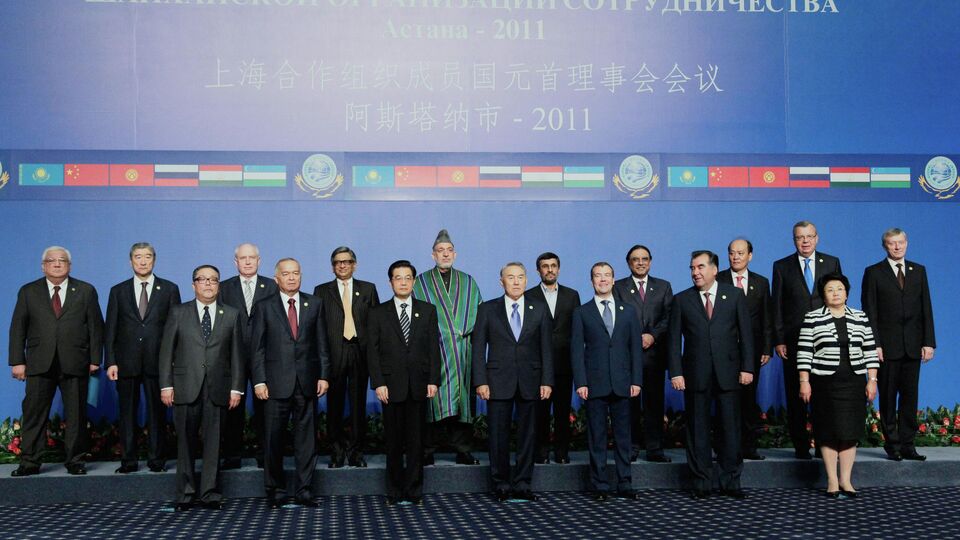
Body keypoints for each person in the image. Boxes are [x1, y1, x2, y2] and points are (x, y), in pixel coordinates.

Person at [8, 246, 103, 477]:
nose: (57, 264)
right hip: (39, 363)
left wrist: (94, 359)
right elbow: (18, 328)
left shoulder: (86, 290)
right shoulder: (28, 291)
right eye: (52, 260)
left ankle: (75, 461)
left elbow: (96, 327)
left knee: (76, 415)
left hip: (76, 361)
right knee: (34, 414)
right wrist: (17, 361)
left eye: (62, 260)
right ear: (43, 266)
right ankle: (30, 462)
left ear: (70, 266)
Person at [669, 251, 755, 500]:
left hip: (729, 373)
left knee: (730, 428)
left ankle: (731, 481)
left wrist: (747, 367)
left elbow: (746, 335)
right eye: (692, 268)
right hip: (695, 374)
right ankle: (702, 481)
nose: (695, 272)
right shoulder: (681, 299)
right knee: (697, 430)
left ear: (715, 270)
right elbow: (673, 341)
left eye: (700, 267)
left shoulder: (734, 296)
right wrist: (676, 372)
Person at [158, 265, 244, 511]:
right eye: (202, 279)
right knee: (185, 444)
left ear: (219, 285)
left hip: (218, 389)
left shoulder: (231, 314)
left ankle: (209, 493)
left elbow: (237, 355)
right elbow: (166, 352)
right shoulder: (178, 312)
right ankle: (185, 494)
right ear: (193, 285)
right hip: (185, 387)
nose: (208, 284)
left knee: (213, 444)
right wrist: (166, 385)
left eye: (213, 280)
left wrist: (236, 388)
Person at [251, 258, 331, 508]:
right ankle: (275, 490)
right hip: (275, 384)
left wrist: (324, 375)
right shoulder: (264, 306)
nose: (292, 277)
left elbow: (322, 343)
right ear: (277, 279)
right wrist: (259, 380)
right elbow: (257, 348)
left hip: (307, 382)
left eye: (296, 273)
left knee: (307, 441)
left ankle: (304, 490)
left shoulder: (314, 303)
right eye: (286, 274)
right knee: (273, 440)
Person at [473, 262, 553, 502]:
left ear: (526, 280)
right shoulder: (487, 309)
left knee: (529, 435)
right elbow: (478, 348)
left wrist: (547, 380)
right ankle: (501, 483)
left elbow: (546, 348)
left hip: (531, 380)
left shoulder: (539, 308)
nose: (516, 281)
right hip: (497, 381)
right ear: (502, 282)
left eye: (520, 277)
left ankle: (523, 483)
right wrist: (480, 381)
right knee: (498, 435)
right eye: (511, 277)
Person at [797, 273, 879, 498]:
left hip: (854, 383)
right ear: (823, 296)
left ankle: (846, 480)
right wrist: (804, 381)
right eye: (830, 290)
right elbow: (804, 353)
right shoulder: (812, 318)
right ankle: (832, 480)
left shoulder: (860, 317)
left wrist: (872, 380)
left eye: (840, 289)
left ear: (847, 293)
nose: (835, 293)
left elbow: (870, 351)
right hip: (825, 383)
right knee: (828, 431)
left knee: (850, 432)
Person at [367, 260, 440, 506]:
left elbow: (433, 348)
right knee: (394, 442)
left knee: (416, 442)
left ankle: (414, 490)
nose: (403, 282)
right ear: (390, 282)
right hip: (390, 386)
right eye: (398, 278)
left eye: (408, 277)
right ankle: (395, 490)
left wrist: (433, 379)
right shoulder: (378, 313)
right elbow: (372, 351)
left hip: (419, 385)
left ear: (414, 281)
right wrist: (378, 382)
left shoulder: (428, 310)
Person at [105, 242, 181, 474]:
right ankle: (128, 461)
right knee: (127, 413)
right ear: (131, 261)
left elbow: (176, 328)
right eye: (138, 257)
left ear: (154, 260)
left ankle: (157, 460)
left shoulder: (169, 289)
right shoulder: (118, 291)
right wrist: (111, 361)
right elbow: (111, 329)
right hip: (126, 362)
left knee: (157, 413)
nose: (143, 261)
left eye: (147, 256)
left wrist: (173, 361)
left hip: (158, 362)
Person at [861, 228, 936, 461]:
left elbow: (926, 308)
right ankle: (892, 445)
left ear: (907, 243)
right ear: (885, 246)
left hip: (913, 345)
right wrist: (874, 343)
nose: (897, 247)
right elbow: (870, 311)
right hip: (886, 347)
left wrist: (929, 342)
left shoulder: (918, 271)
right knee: (887, 396)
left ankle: (908, 445)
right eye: (892, 243)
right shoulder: (874, 272)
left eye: (901, 242)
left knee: (910, 398)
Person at [571, 262, 644, 501]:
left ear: (613, 280)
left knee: (624, 437)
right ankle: (600, 485)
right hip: (594, 384)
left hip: (623, 383)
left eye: (607, 275)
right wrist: (581, 382)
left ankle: (625, 482)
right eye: (597, 276)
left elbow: (635, 349)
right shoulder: (582, 312)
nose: (602, 279)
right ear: (591, 281)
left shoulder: (629, 311)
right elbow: (576, 351)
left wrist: (636, 380)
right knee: (597, 437)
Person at [772, 221, 842, 459]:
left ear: (817, 238)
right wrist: (779, 339)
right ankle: (801, 446)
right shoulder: (781, 266)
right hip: (793, 341)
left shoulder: (831, 262)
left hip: (826, 340)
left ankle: (824, 446)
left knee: (824, 395)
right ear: (794, 240)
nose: (805, 241)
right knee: (796, 396)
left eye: (809, 236)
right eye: (800, 237)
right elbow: (777, 305)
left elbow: (838, 297)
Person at [413, 229, 483, 465]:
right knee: (432, 399)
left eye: (449, 250)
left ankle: (463, 449)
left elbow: (478, 313)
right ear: (433, 255)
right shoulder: (420, 282)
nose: (445, 254)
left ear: (455, 254)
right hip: (433, 351)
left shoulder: (468, 282)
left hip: (462, 352)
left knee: (462, 400)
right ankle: (427, 450)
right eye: (440, 250)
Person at [314, 247, 380, 468]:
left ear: (355, 265)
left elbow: (376, 325)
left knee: (358, 406)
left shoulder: (368, 289)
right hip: (334, 354)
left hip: (359, 353)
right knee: (334, 406)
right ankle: (336, 452)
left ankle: (356, 452)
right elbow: (318, 327)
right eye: (337, 262)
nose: (342, 265)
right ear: (332, 267)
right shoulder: (321, 291)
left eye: (347, 261)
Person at [218, 242, 278, 469]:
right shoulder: (224, 288)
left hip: (265, 357)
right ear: (236, 262)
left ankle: (265, 455)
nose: (248, 261)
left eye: (252, 257)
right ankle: (232, 456)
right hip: (233, 357)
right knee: (233, 409)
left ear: (259, 260)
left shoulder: (272, 286)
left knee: (266, 409)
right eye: (243, 258)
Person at [612, 245, 674, 463]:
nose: (640, 263)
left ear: (650, 261)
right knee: (629, 404)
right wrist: (636, 337)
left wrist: (652, 336)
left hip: (654, 356)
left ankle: (655, 449)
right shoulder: (618, 287)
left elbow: (669, 318)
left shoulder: (663, 286)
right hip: (628, 356)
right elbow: (615, 318)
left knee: (654, 404)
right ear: (628, 263)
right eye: (635, 259)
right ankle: (631, 447)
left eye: (644, 259)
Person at [718, 239, 772, 460]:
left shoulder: (761, 282)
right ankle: (723, 448)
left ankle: (748, 447)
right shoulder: (718, 279)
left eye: (740, 253)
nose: (736, 257)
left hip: (752, 351)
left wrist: (766, 348)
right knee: (724, 399)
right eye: (732, 253)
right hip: (723, 350)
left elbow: (766, 317)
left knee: (748, 399)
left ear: (750, 256)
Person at [526, 252, 581, 464]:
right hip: (537, 364)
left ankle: (561, 453)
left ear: (558, 268)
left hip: (564, 364)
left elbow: (576, 331)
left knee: (562, 410)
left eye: (553, 266)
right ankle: (541, 453)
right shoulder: (528, 296)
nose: (550, 270)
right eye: (545, 266)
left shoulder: (572, 295)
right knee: (539, 412)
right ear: (538, 270)